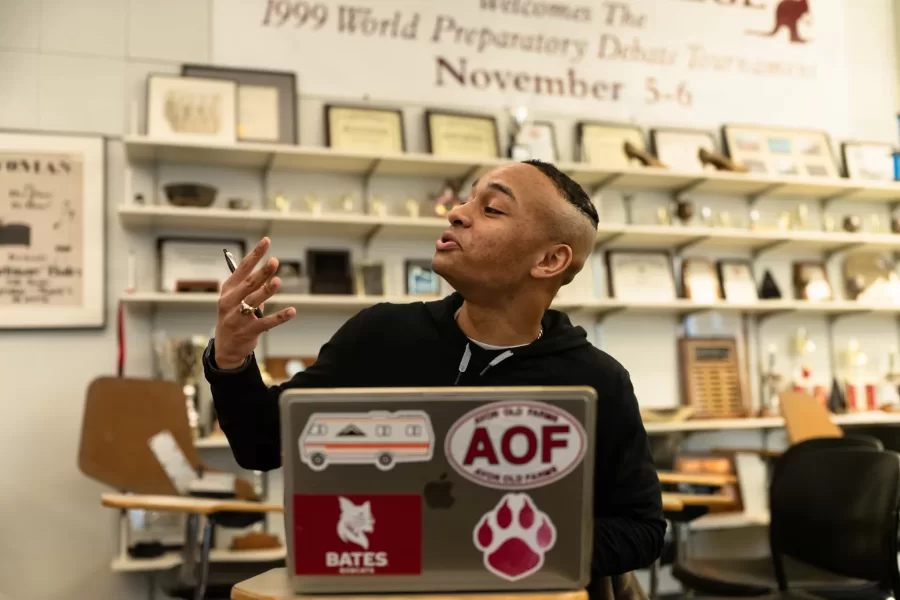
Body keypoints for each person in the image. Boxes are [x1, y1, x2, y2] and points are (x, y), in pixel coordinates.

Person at [203, 159, 665, 584]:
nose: (457, 213)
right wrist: (231, 357)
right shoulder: (379, 334)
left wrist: (521, 547)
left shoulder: (598, 380)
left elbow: (641, 529)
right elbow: (261, 443)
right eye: (466, 199)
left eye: (492, 208)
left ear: (549, 261)